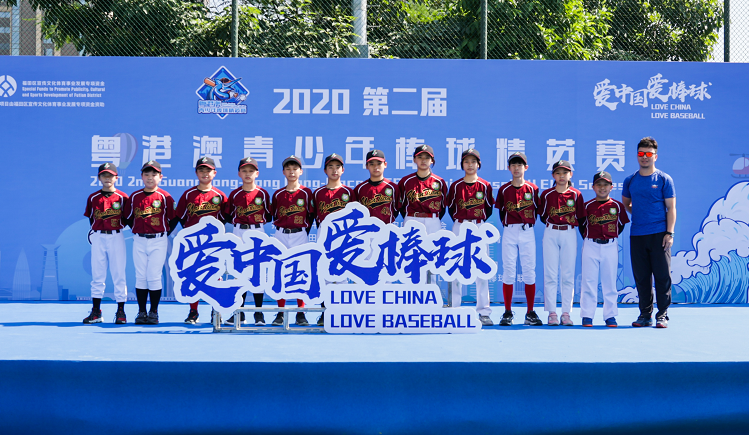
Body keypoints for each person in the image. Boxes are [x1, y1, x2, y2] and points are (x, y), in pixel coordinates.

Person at [622, 137, 676, 328]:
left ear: (655, 156)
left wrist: (669, 233)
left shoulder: (664, 179)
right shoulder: (630, 180)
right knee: (642, 277)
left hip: (659, 235)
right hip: (637, 234)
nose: (644, 157)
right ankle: (645, 315)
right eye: (641, 153)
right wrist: (638, 213)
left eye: (648, 154)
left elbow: (671, 208)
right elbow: (626, 203)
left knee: (662, 276)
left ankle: (662, 314)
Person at [175, 156, 228, 324]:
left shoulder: (220, 195)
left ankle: (216, 311)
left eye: (208, 171)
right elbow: (181, 217)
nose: (205, 174)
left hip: (213, 242)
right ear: (196, 173)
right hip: (193, 242)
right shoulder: (188, 194)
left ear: (214, 173)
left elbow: (225, 217)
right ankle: (193, 312)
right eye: (201, 170)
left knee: (215, 275)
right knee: (193, 275)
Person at [123, 160, 176, 325]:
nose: (150, 177)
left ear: (161, 177)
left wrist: (165, 232)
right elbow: (127, 217)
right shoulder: (134, 197)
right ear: (141, 176)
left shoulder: (165, 197)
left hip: (159, 240)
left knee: (154, 276)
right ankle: (141, 312)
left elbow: (174, 218)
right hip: (139, 239)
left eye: (154, 174)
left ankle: (154, 312)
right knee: (140, 276)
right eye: (147, 174)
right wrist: (137, 228)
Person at [445, 148, 495, 325]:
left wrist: (476, 222)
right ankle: (455, 308)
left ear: (478, 164)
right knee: (456, 267)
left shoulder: (485, 185)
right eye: (466, 161)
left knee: (482, 269)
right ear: (462, 164)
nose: (470, 164)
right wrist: (462, 222)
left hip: (478, 226)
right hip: (460, 225)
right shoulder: (456, 186)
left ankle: (484, 311)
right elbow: (451, 208)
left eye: (473, 161)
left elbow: (488, 209)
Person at [224, 157, 272, 326]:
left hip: (258, 231)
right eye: (244, 171)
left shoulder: (263, 194)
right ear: (239, 173)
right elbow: (228, 215)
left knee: (257, 272)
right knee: (240, 272)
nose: (248, 174)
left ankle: (259, 313)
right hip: (240, 231)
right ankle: (240, 312)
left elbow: (269, 215)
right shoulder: (234, 194)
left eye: (251, 171)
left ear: (257, 173)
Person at [495, 152, 541, 326]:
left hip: (527, 230)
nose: (516, 168)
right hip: (510, 230)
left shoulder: (533, 189)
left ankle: (530, 312)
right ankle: (507, 312)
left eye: (519, 165)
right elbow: (501, 212)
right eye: (513, 165)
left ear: (525, 167)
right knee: (509, 270)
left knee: (529, 270)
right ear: (509, 168)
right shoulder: (504, 190)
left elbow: (538, 210)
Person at [398, 145, 448, 304]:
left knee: (432, 259)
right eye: (420, 157)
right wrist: (411, 218)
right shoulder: (405, 181)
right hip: (412, 219)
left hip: (433, 219)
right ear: (414, 159)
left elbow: (444, 207)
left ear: (432, 160)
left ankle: (431, 299)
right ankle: (412, 299)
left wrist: (432, 218)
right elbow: (400, 205)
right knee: (411, 258)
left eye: (427, 157)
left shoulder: (440, 182)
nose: (423, 160)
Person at [579, 171, 629, 327]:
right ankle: (587, 315)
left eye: (605, 185)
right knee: (589, 281)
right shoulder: (587, 206)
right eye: (599, 185)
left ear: (611, 187)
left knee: (610, 281)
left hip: (610, 245)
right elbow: (582, 226)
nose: (602, 188)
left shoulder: (617, 206)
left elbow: (621, 225)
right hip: (591, 244)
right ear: (593, 187)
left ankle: (610, 315)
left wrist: (610, 236)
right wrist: (591, 238)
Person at [538, 160, 584, 326]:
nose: (562, 176)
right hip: (551, 231)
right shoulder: (546, 194)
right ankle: (552, 312)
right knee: (550, 274)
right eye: (558, 173)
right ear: (553, 176)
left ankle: (566, 312)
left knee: (568, 274)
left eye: (565, 173)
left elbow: (581, 216)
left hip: (569, 232)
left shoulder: (576, 194)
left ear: (570, 175)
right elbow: (542, 216)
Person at [312, 153, 357, 326]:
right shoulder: (318, 193)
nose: (334, 170)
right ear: (325, 170)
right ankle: (325, 312)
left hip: (344, 234)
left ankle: (342, 312)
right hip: (325, 233)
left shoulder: (349, 192)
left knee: (343, 274)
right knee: (325, 274)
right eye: (330, 167)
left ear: (343, 170)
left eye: (337, 167)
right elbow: (312, 215)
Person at [271, 155, 315, 326]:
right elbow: (274, 215)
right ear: (283, 172)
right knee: (280, 272)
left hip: (300, 234)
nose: (291, 172)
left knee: (301, 272)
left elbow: (311, 215)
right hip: (281, 234)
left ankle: (300, 312)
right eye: (288, 169)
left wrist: (302, 232)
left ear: (301, 171)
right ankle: (280, 312)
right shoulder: (278, 194)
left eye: (295, 169)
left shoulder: (307, 193)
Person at [83, 163, 129, 324]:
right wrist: (97, 232)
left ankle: (121, 311)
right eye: (104, 175)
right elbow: (91, 218)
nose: (107, 178)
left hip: (116, 236)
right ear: (99, 178)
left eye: (110, 175)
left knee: (119, 274)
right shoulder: (93, 197)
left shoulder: (123, 197)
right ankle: (96, 312)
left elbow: (127, 218)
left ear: (116, 177)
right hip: (98, 236)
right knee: (97, 275)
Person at [354, 149, 401, 225]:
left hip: (387, 227)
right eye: (372, 164)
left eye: (379, 163)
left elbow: (396, 209)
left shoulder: (393, 187)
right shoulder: (359, 189)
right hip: (365, 228)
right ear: (367, 166)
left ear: (385, 165)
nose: (376, 167)